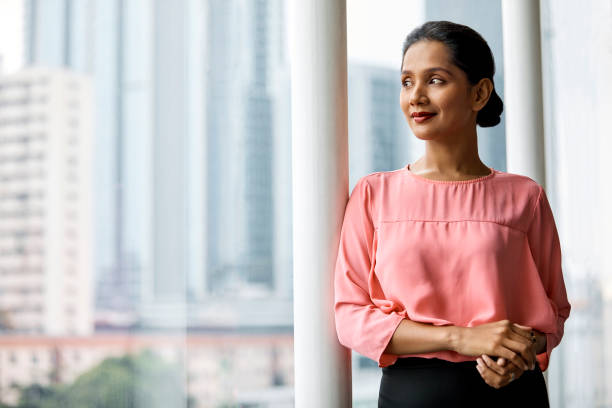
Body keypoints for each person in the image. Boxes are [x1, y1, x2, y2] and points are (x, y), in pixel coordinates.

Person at [333, 20, 571, 407]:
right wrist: (460, 337)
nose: (416, 96)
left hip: (511, 393)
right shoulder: (373, 195)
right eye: (407, 82)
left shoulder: (525, 197)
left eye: (436, 80)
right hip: (410, 396)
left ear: (479, 93)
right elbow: (351, 317)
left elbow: (554, 315)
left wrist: (520, 352)